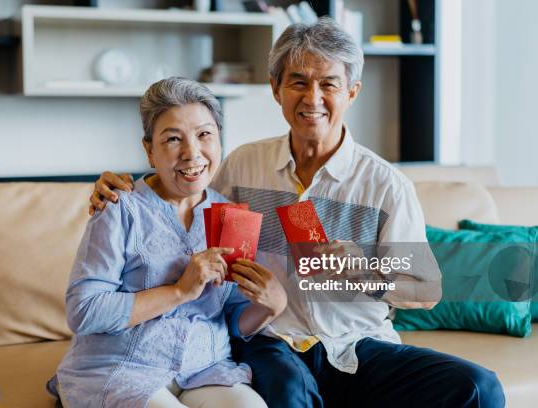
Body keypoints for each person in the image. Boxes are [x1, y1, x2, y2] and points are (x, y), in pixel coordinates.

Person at [90, 18, 505, 408]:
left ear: (352, 92)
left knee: (478, 388)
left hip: (357, 344)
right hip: (272, 338)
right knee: (289, 390)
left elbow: (425, 288)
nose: (313, 98)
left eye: (329, 84)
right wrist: (124, 186)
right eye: (298, 82)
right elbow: (184, 187)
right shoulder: (243, 164)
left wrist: (363, 270)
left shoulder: (385, 184)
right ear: (276, 89)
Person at [47, 77, 287, 408]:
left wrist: (268, 306)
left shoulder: (231, 215)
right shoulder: (119, 208)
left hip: (204, 370)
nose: (192, 153)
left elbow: (231, 316)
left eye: (204, 135)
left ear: (219, 141)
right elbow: (83, 311)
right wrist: (178, 292)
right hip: (122, 370)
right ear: (149, 150)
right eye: (173, 139)